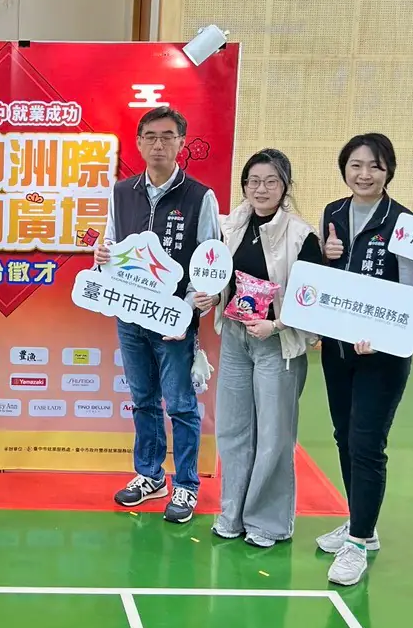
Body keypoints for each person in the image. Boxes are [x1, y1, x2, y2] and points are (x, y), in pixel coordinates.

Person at [95, 106, 220, 524]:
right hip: (130, 315)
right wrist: (101, 256)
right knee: (143, 399)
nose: (158, 144)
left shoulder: (199, 196)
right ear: (138, 143)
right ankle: (150, 475)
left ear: (181, 143)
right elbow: (109, 245)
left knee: (181, 405)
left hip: (173, 322)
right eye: (150, 136)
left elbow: (209, 262)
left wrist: (187, 311)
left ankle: (186, 484)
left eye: (168, 136)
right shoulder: (121, 192)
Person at [316, 132, 413, 586]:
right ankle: (362, 523)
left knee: (366, 442)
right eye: (356, 165)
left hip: (382, 354)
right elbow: (327, 280)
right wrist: (325, 256)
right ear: (344, 169)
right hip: (338, 347)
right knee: (343, 436)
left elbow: (412, 292)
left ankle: (358, 543)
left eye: (374, 166)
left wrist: (384, 336)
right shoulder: (333, 213)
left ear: (388, 171)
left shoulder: (404, 222)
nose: (364, 174)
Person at [213, 149, 323, 547]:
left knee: (274, 435)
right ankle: (232, 513)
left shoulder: (302, 236)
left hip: (278, 343)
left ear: (285, 186)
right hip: (235, 338)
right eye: (254, 181)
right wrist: (210, 296)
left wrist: (275, 324)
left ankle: (267, 523)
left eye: (271, 182)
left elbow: (313, 300)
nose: (261, 189)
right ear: (244, 186)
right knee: (233, 429)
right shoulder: (229, 226)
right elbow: (216, 275)